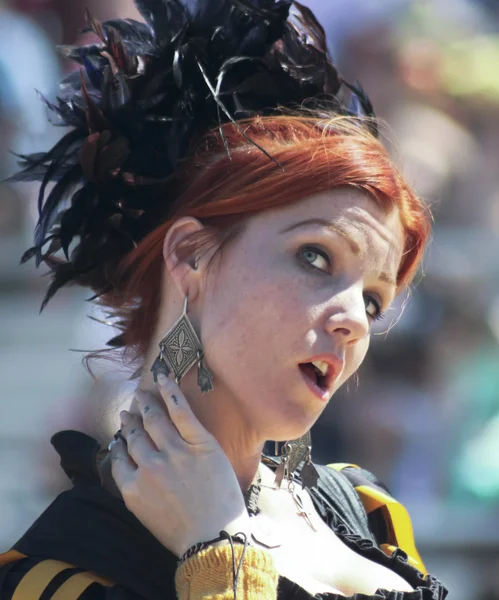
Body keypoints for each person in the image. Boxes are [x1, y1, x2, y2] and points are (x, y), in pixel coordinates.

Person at [0, 1, 448, 598]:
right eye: (316, 257)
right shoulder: (57, 576)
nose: (352, 323)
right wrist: (218, 549)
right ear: (190, 256)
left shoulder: (369, 510)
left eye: (373, 299)